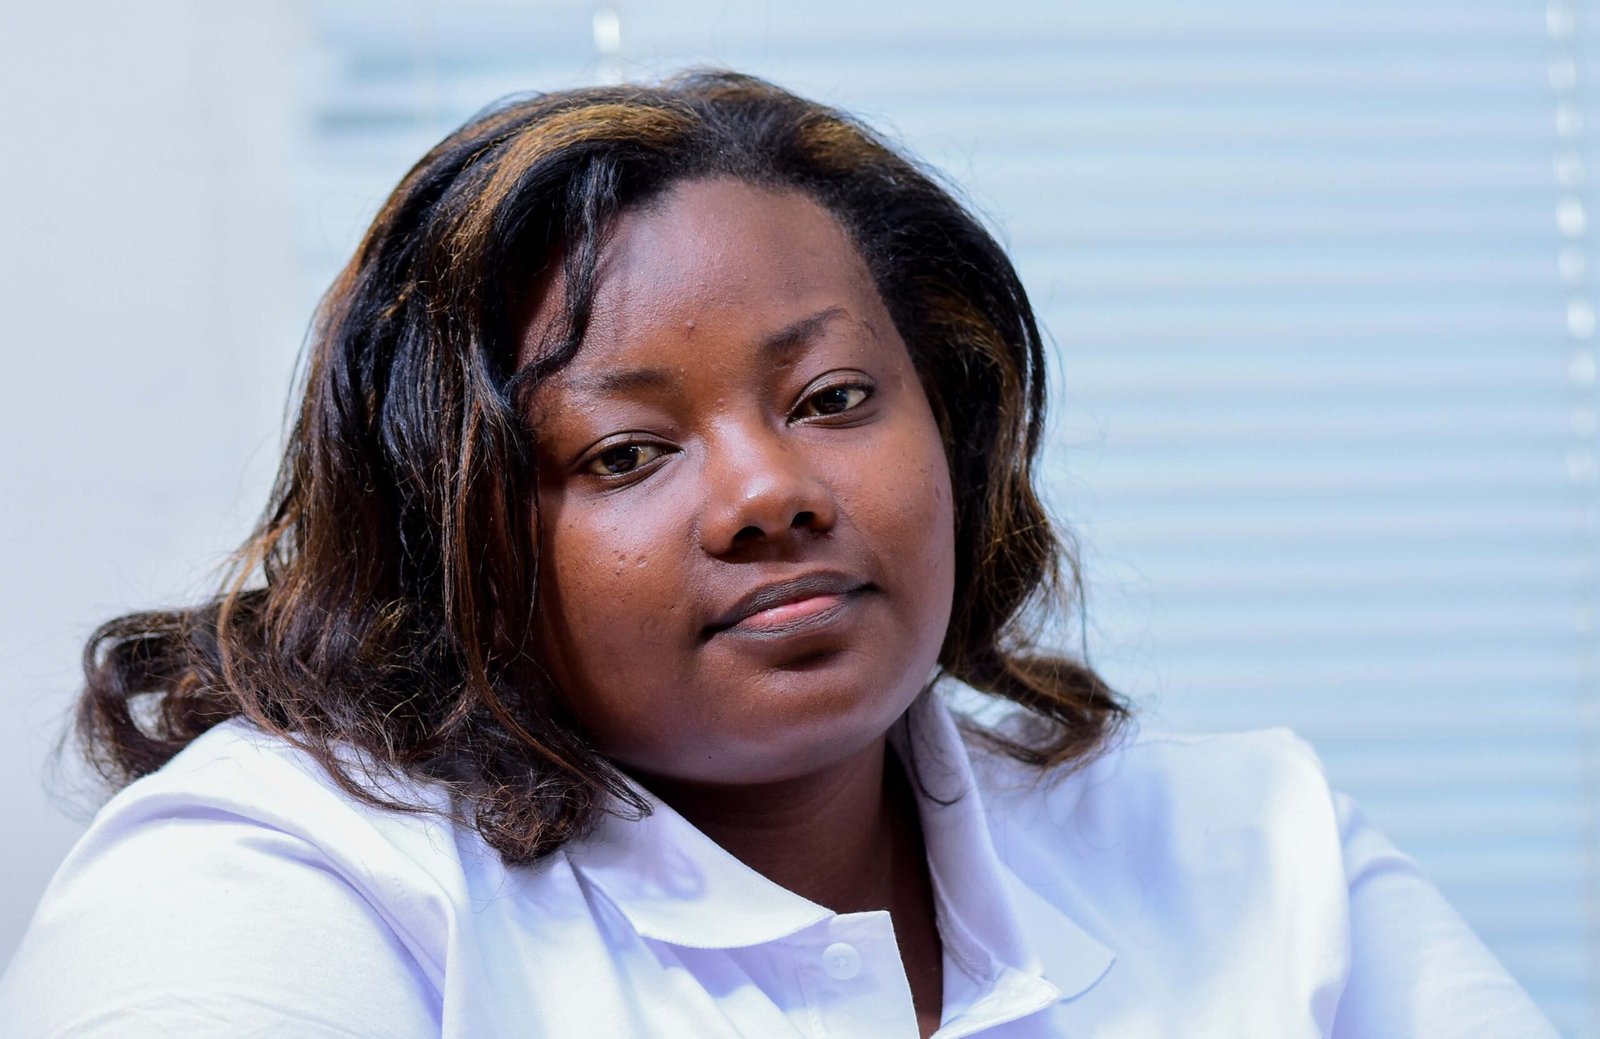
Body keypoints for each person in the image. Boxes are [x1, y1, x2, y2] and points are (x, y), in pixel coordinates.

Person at [0, 71, 1556, 1038]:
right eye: (624, 452)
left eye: (833, 400)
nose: (770, 492)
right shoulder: (264, 882)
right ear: (448, 543)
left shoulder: (1258, 850)